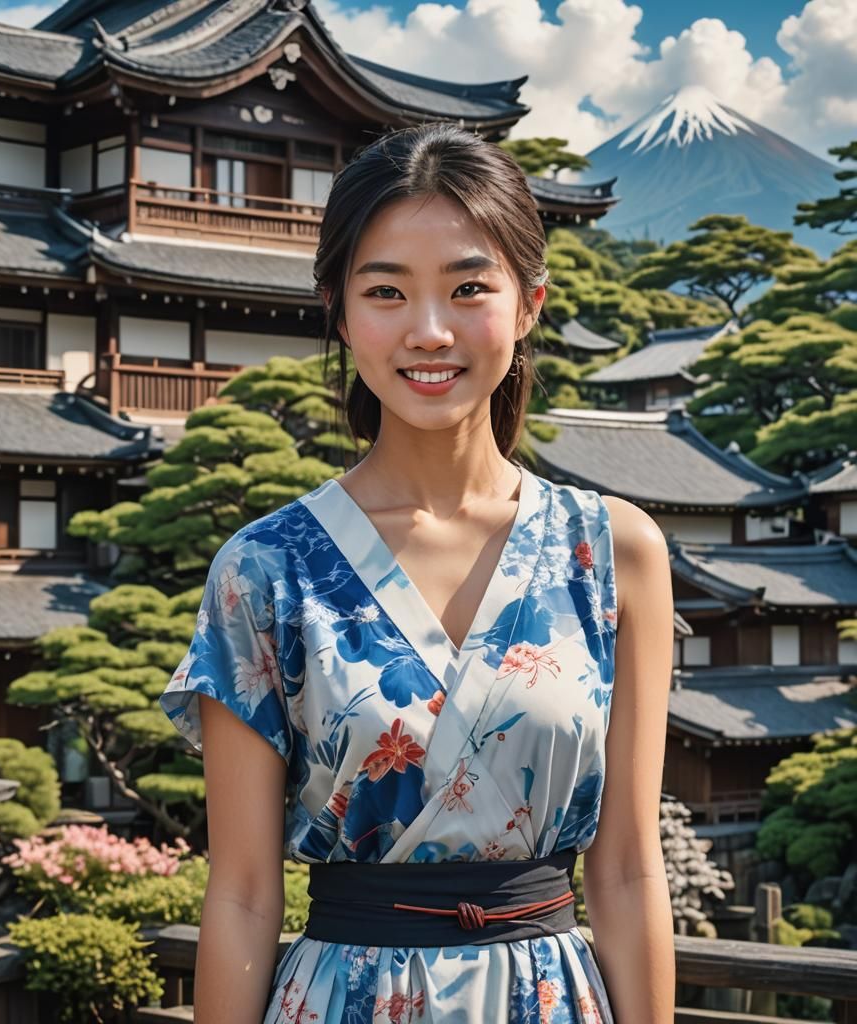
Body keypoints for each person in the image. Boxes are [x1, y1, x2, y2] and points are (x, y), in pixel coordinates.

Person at [159, 122, 676, 1024]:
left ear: (528, 304)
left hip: (546, 1000)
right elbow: (242, 891)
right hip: (343, 1000)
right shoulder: (265, 569)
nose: (429, 331)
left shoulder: (615, 551)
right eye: (387, 291)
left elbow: (629, 870)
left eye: (469, 287)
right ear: (340, 309)